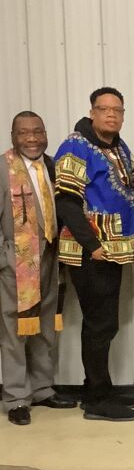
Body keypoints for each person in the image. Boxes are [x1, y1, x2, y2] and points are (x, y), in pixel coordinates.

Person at [54, 87, 134, 422]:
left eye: (117, 110)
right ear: (92, 112)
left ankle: (98, 389)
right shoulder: (75, 146)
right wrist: (92, 246)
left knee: (104, 323)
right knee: (99, 324)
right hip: (91, 252)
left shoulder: (119, 147)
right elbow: (66, 202)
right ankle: (97, 400)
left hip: (112, 251)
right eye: (104, 109)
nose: (111, 115)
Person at [0, 112, 73, 425]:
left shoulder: (53, 166)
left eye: (38, 131)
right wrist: (5, 258)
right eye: (24, 132)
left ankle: (42, 388)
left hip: (51, 259)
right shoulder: (3, 168)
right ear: (13, 136)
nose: (32, 138)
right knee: (15, 330)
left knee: (45, 326)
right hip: (16, 263)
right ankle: (16, 396)